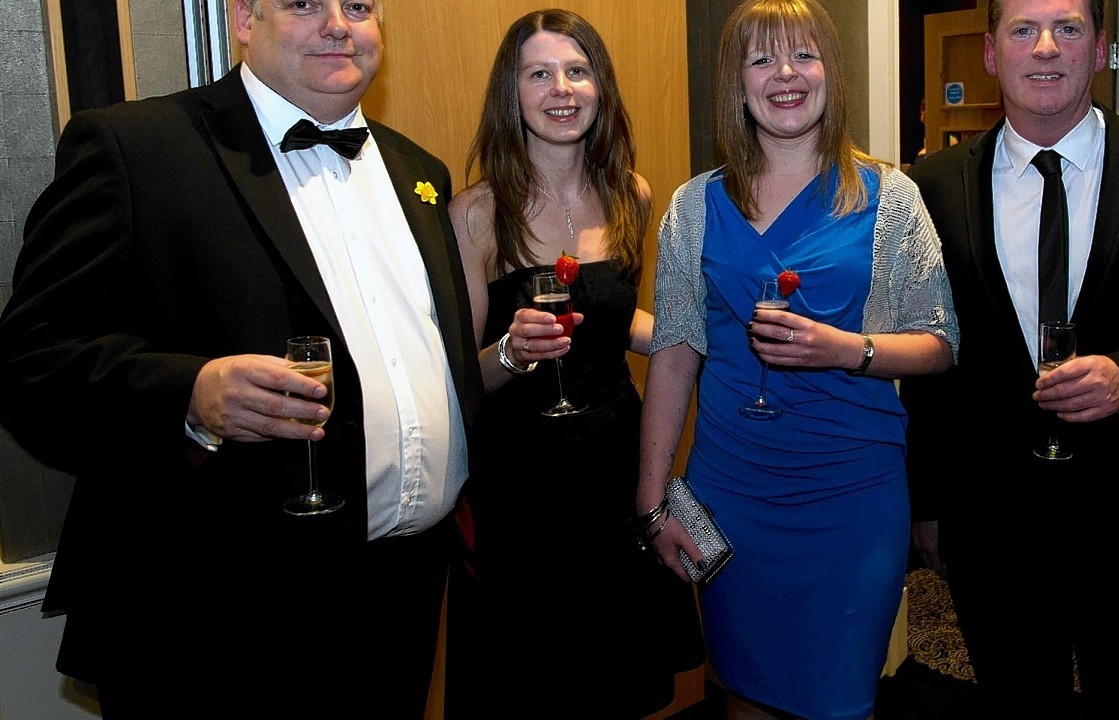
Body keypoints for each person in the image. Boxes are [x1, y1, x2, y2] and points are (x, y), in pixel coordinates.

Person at [0, 1, 482, 716]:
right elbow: (30, 357)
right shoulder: (137, 147)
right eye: (304, 4)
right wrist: (189, 391)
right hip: (216, 612)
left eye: (358, 6)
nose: (338, 25)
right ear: (244, 20)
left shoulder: (420, 170)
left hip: (401, 594)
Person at [901, 1, 1119, 718]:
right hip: (989, 513)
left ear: (1098, 50)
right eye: (1021, 30)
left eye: (1068, 28)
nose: (1045, 48)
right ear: (991, 53)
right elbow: (931, 358)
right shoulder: (930, 188)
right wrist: (927, 502)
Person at [637, 1, 959, 718]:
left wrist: (844, 349)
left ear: (829, 72)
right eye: (760, 59)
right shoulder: (694, 206)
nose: (784, 74)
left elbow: (939, 344)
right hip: (732, 497)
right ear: (736, 82)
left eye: (803, 55)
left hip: (852, 498)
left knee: (840, 700)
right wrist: (652, 499)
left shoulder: (890, 197)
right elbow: (675, 350)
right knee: (741, 692)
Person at [444, 9, 703, 718]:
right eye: (538, 73)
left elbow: (611, 320)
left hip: (614, 468)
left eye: (577, 70)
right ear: (512, 93)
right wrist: (510, 350)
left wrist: (700, 336)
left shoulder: (632, 194)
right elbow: (460, 378)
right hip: (519, 484)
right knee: (531, 687)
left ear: (599, 86)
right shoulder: (476, 214)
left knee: (617, 683)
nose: (561, 89)